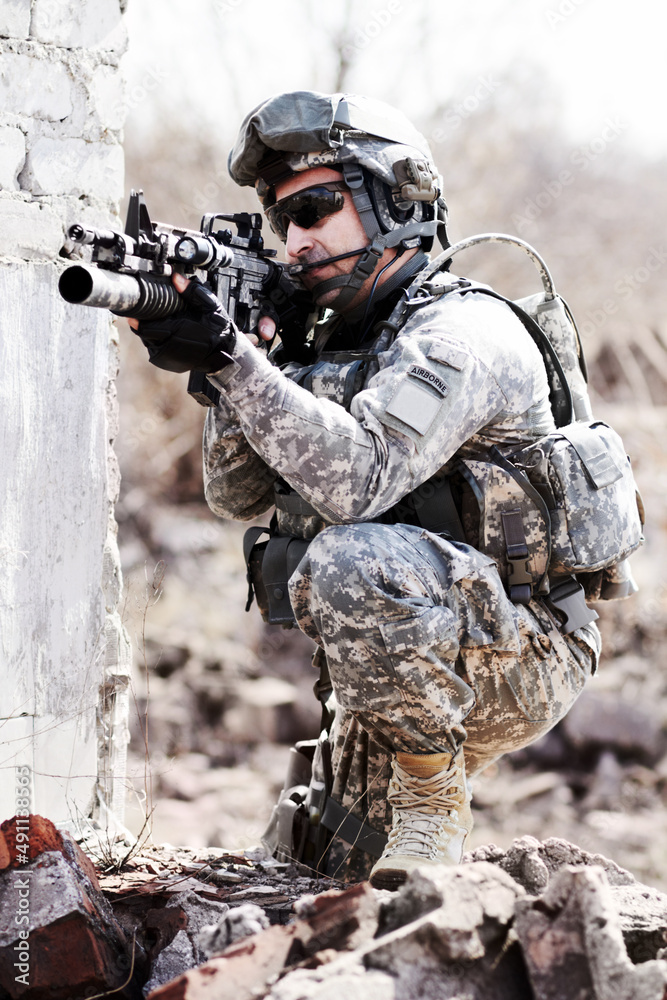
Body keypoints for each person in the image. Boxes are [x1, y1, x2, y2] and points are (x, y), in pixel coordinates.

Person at [132, 91, 601, 890]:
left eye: (316, 206)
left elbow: (358, 481)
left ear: (393, 199)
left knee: (352, 556)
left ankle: (432, 796)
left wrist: (235, 363)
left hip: (519, 644)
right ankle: (406, 794)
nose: (298, 240)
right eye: (284, 222)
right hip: (402, 656)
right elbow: (235, 495)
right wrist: (238, 364)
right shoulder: (337, 335)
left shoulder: (461, 334)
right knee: (318, 881)